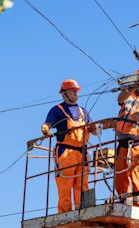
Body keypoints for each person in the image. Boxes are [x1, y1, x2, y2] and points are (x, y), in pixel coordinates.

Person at [41, 79, 97, 213]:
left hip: (81, 153)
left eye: (76, 91)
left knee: (82, 185)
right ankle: (65, 215)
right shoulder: (57, 110)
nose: (76, 93)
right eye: (73, 91)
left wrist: (98, 127)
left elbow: (94, 131)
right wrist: (45, 129)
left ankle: (82, 212)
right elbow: (48, 124)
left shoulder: (83, 112)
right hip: (65, 152)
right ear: (64, 94)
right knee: (65, 185)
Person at [114, 67, 139, 207]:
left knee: (137, 173)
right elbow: (120, 98)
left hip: (138, 143)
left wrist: (137, 115)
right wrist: (133, 86)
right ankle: (124, 201)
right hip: (123, 143)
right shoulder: (129, 95)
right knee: (120, 174)